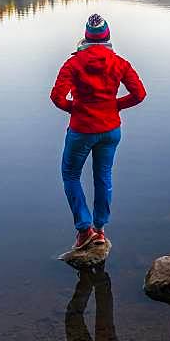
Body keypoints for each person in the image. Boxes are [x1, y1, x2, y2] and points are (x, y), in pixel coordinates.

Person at [50, 14, 146, 250]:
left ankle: (84, 230)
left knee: (71, 175)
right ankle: (100, 230)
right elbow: (139, 94)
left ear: (86, 37)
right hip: (110, 129)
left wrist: (76, 108)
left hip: (82, 129)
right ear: (107, 37)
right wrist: (114, 106)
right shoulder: (119, 63)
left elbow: (57, 97)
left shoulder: (73, 63)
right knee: (103, 176)